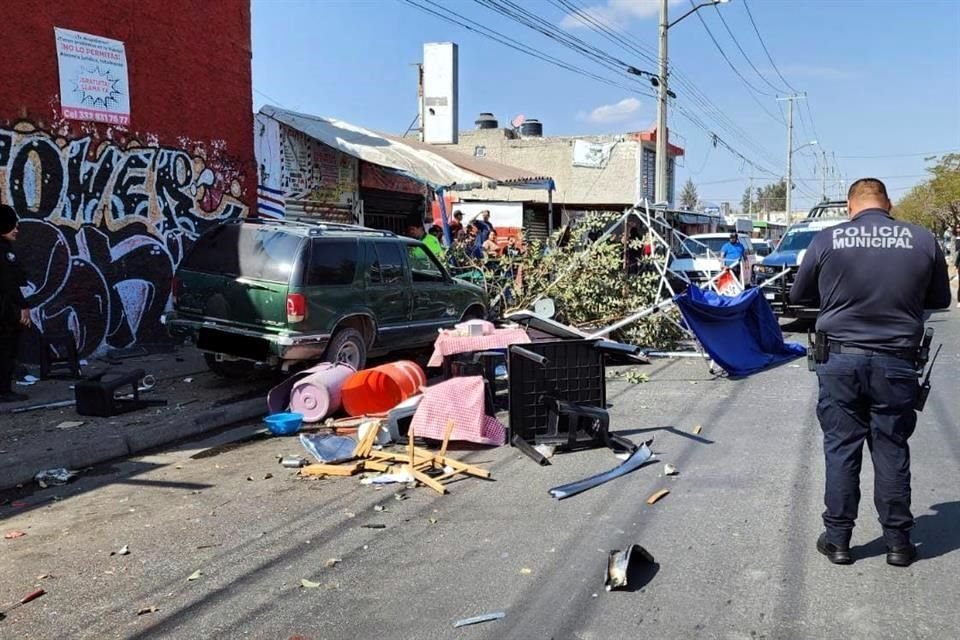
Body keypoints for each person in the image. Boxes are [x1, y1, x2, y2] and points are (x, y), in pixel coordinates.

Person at [790, 178, 951, 567]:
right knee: (891, 449)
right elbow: (941, 299)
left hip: (840, 360)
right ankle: (898, 544)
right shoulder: (922, 240)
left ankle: (839, 540)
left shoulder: (827, 240)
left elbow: (798, 297)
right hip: (897, 362)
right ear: (889, 204)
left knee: (842, 449)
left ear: (850, 206)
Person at [0, 204, 31, 403]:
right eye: (12, 225)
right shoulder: (3, 252)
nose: (16, 229)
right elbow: (9, 283)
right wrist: (23, 307)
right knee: (6, 347)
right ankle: (3, 390)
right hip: (4, 309)